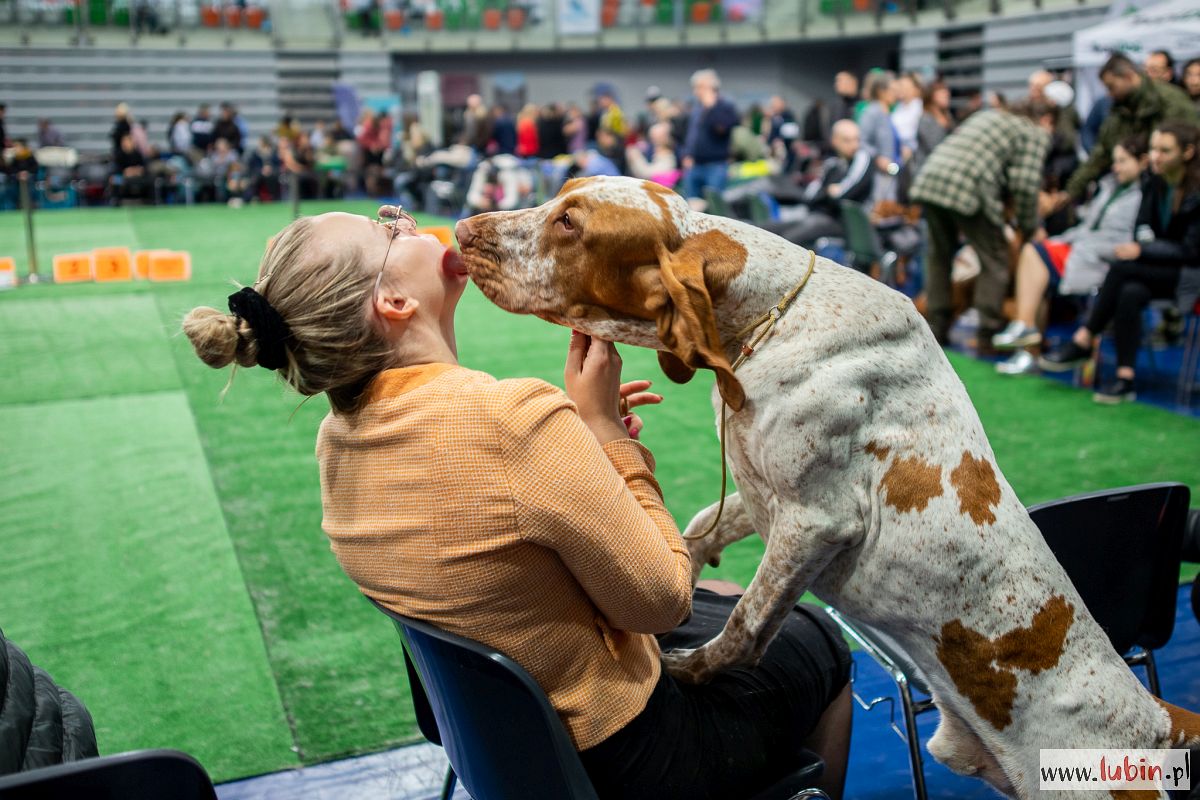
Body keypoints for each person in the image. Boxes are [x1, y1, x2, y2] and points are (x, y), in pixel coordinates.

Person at [180, 207, 853, 800]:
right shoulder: (510, 419)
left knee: (728, 591)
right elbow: (661, 601)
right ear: (393, 301)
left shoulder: (340, 441)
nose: (405, 222)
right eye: (387, 230)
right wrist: (607, 439)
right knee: (818, 639)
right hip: (629, 760)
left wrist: (580, 451)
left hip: (503, 754)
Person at [1040, 122, 1200, 403]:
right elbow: (1142, 226)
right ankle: (1125, 379)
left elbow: (1192, 251)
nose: (1156, 156)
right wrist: (1145, 246)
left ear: (1187, 152)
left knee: (1123, 267)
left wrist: (1143, 248)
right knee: (1129, 292)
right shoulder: (1155, 181)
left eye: (1165, 150)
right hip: (1156, 269)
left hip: (1189, 276)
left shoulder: (1196, 190)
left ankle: (1084, 338)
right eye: (1153, 149)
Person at [992, 135, 1148, 375]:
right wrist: (1061, 240)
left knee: (1034, 256)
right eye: (1115, 161)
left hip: (1103, 261)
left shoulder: (1145, 194)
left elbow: (1126, 239)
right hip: (1082, 250)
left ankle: (1025, 333)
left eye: (1123, 161)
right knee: (1035, 257)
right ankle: (1027, 342)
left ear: (1142, 162)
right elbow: (1088, 226)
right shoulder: (1109, 186)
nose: (1116, 167)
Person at [910, 102, 1051, 346]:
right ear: (1047, 120)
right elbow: (1026, 185)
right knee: (995, 259)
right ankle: (989, 333)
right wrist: (1031, 228)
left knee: (939, 256)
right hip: (968, 188)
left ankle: (936, 327)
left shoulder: (993, 116)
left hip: (931, 178)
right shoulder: (1035, 131)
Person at [1047, 54, 1197, 214]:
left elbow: (1191, 143)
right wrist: (1071, 191)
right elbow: (1100, 154)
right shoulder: (1119, 110)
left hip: (1177, 188)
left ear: (1129, 76)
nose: (1109, 94)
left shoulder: (1169, 101)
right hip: (1140, 191)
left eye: (1111, 86)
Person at [770, 119, 873, 247]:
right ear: (835, 140)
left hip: (844, 223)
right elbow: (811, 196)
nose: (854, 145)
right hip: (818, 215)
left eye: (857, 139)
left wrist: (829, 194)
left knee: (787, 240)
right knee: (770, 229)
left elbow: (841, 195)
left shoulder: (862, 158)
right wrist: (827, 192)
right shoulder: (832, 162)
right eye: (847, 140)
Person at [680, 68, 739, 201]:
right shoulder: (697, 110)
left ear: (712, 87)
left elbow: (722, 128)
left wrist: (712, 107)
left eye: (700, 87)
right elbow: (692, 135)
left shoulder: (725, 106)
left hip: (715, 166)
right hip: (694, 165)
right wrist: (687, 154)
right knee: (691, 205)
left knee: (714, 206)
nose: (696, 91)